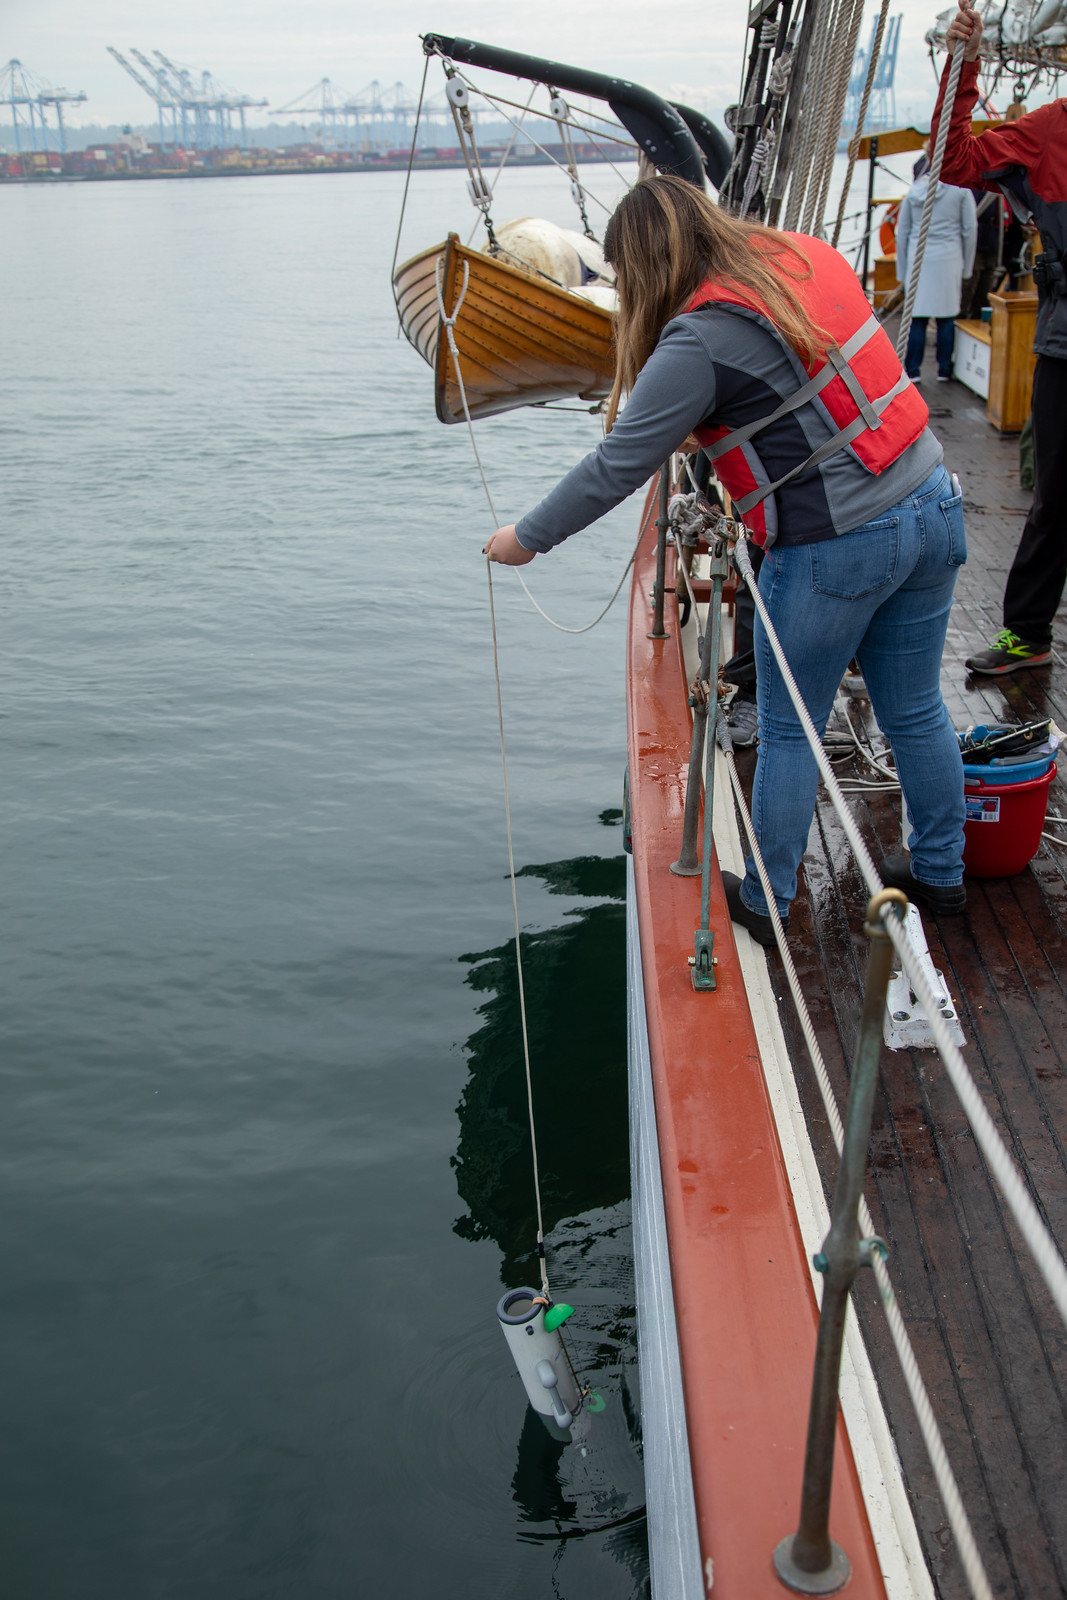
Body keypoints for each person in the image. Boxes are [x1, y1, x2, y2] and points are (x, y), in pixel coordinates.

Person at [484, 176, 967, 941]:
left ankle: (770, 899)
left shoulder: (696, 338)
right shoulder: (795, 256)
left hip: (837, 546)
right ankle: (942, 874)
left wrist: (525, 538)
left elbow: (614, 467)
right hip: (933, 499)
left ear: (642, 267)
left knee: (788, 727)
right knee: (914, 708)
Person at [933, 0, 1067, 673]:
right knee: (1054, 496)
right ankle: (1027, 634)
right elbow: (951, 161)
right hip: (1063, 348)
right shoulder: (1049, 132)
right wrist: (963, 65)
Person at [896, 171, 976, 381]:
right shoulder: (961, 191)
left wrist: (902, 272)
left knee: (917, 317)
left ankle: (913, 370)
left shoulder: (914, 191)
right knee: (946, 317)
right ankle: (944, 369)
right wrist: (967, 267)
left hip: (918, 259)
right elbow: (970, 229)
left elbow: (902, 232)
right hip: (949, 259)